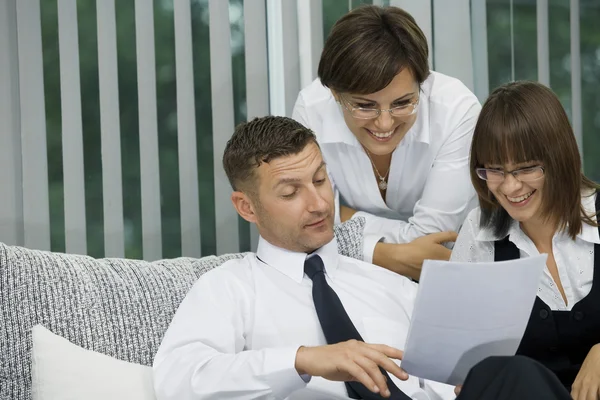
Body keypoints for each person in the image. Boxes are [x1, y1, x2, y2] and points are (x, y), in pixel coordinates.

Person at [154, 116, 571, 400]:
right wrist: (305, 359)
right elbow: (178, 379)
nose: (318, 203)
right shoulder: (230, 287)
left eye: (320, 179)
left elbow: (442, 380)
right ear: (246, 207)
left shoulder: (388, 285)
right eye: (290, 192)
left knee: (513, 374)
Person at [292, 5, 480, 279]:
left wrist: (341, 220)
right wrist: (381, 253)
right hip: (354, 278)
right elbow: (309, 221)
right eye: (365, 106)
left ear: (422, 85)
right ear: (334, 93)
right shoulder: (312, 109)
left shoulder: (456, 111)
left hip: (455, 274)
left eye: (403, 103)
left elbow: (435, 241)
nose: (384, 123)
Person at [450, 80, 600, 399]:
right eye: (495, 170)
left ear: (559, 156)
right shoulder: (480, 234)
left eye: (526, 169)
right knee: (510, 372)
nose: (510, 187)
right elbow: (456, 352)